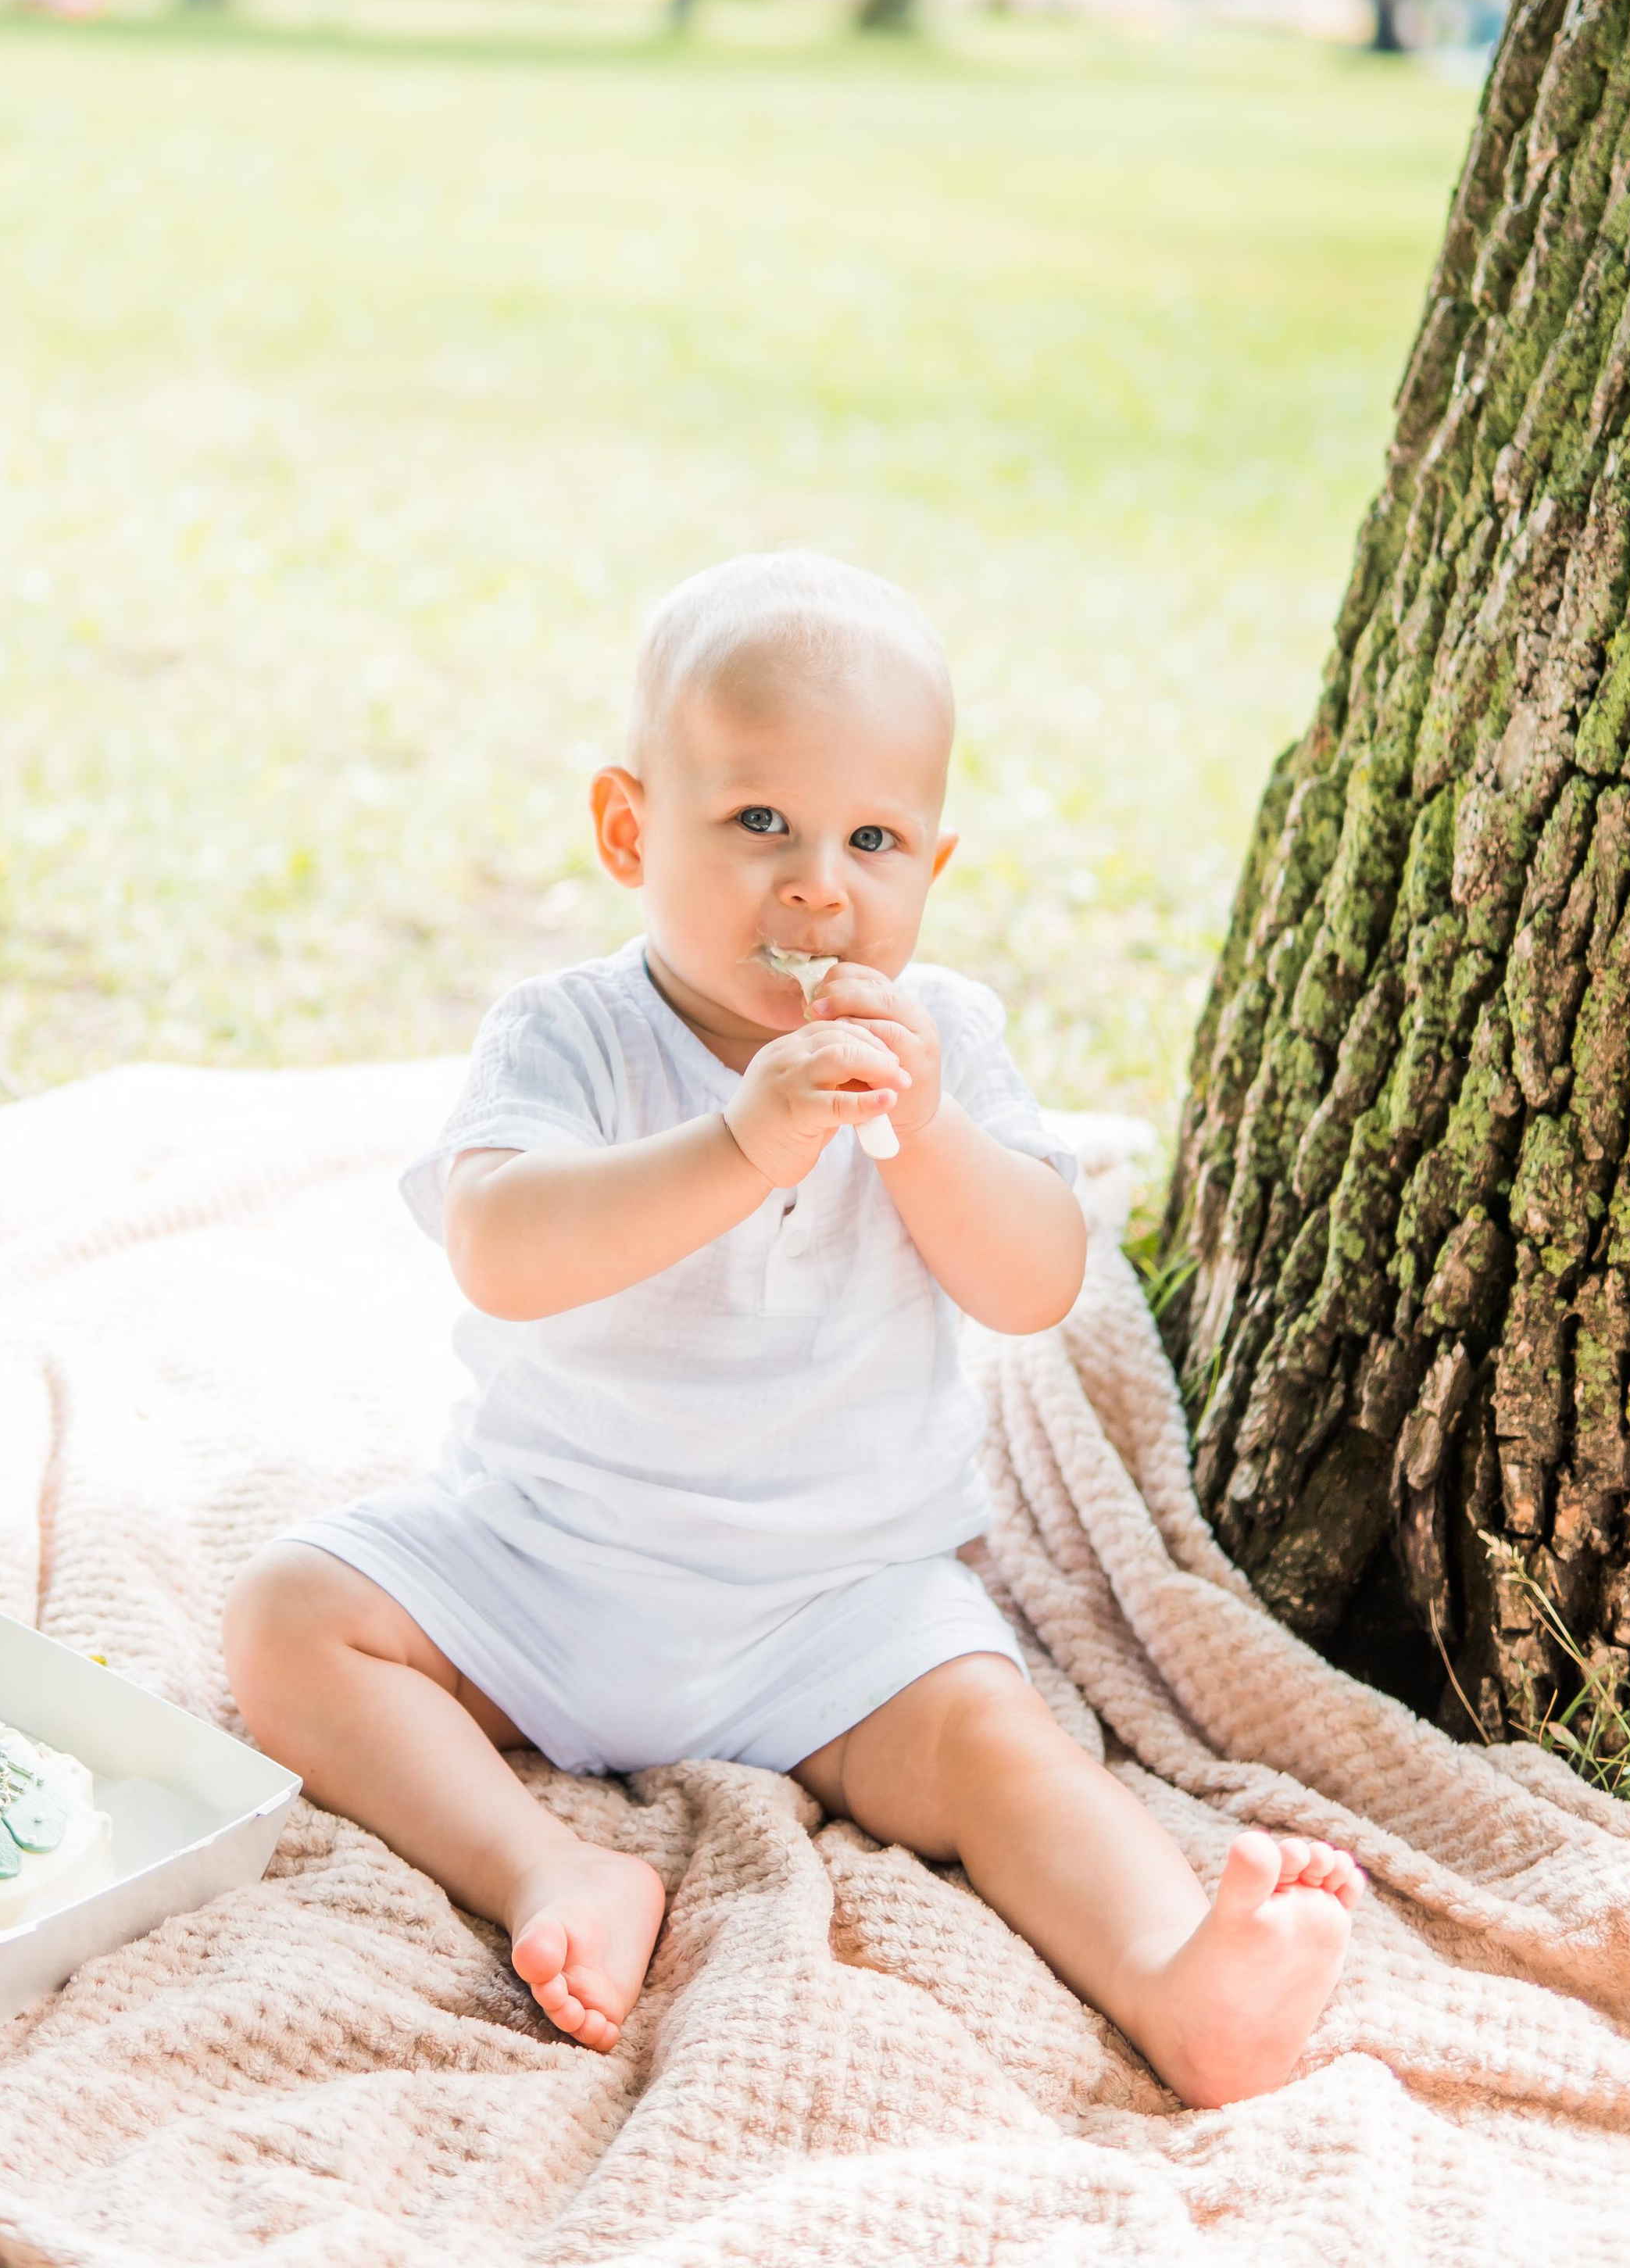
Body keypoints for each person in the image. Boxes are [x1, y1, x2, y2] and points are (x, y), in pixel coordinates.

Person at [224, 551, 1362, 2107]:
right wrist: (737, 1147)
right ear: (629, 827)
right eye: (758, 821)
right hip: (550, 1565)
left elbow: (1030, 1286)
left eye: (870, 839)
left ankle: (1183, 1983)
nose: (817, 884)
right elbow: (499, 1248)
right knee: (289, 1618)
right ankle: (550, 1871)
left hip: (836, 1616)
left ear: (931, 868)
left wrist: (928, 1137)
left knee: (1004, 1747)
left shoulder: (940, 1041)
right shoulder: (567, 1033)